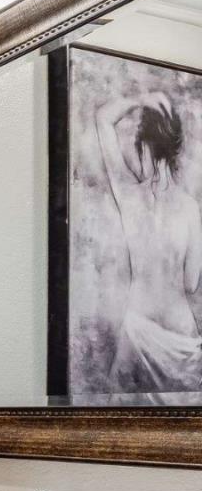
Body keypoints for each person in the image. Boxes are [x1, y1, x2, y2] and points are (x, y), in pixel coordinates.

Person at [96, 90, 202, 395]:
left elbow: (103, 118)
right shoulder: (190, 208)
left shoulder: (129, 196)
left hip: (138, 329)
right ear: (173, 151)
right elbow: (191, 283)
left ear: (143, 147)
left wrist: (141, 99)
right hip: (180, 339)